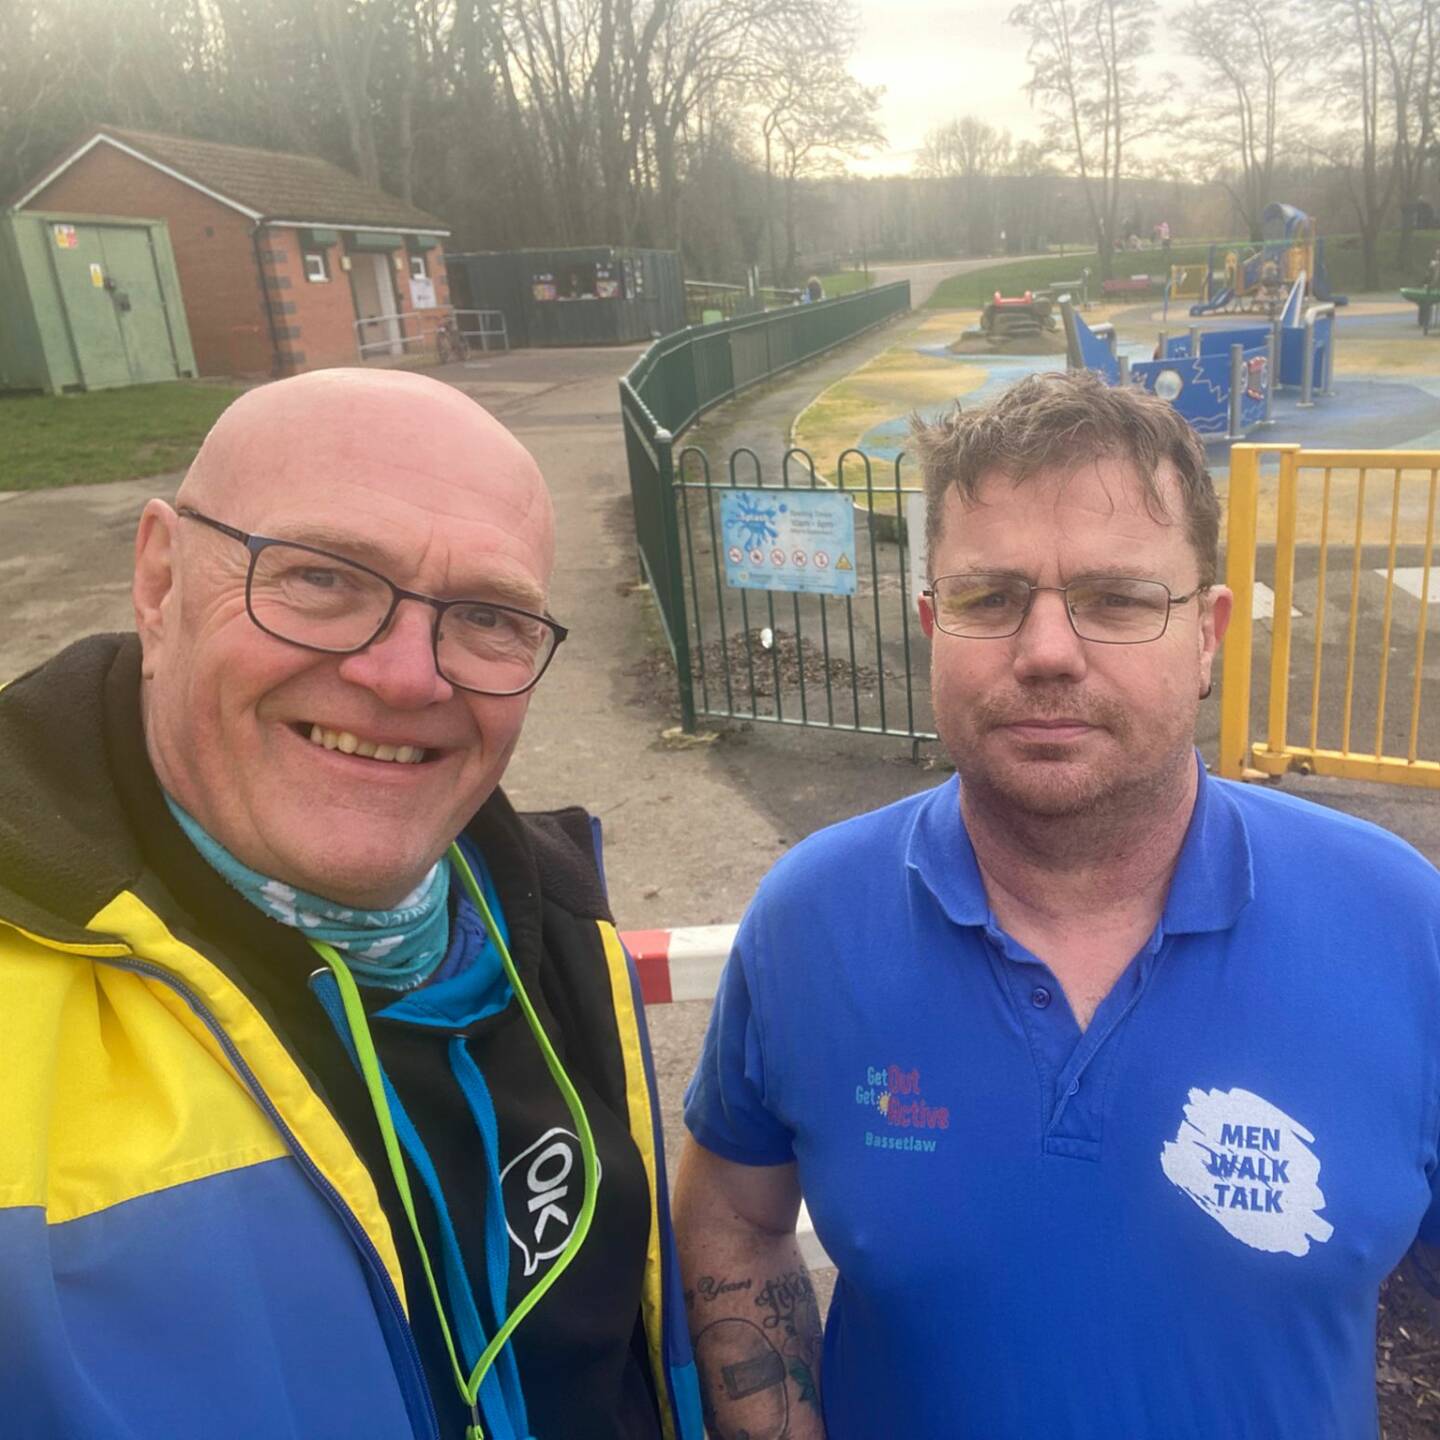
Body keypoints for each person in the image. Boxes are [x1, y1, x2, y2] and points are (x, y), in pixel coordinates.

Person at [675, 369, 1440, 1438]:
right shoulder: (810, 922)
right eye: (991, 598)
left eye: (1118, 599)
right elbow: (733, 1211)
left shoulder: (1404, 927)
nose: (1045, 652)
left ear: (1209, 634)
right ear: (934, 621)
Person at [0, 369, 703, 1440]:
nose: (405, 677)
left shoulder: (547, 928)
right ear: (158, 579)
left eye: (488, 616)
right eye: (323, 578)